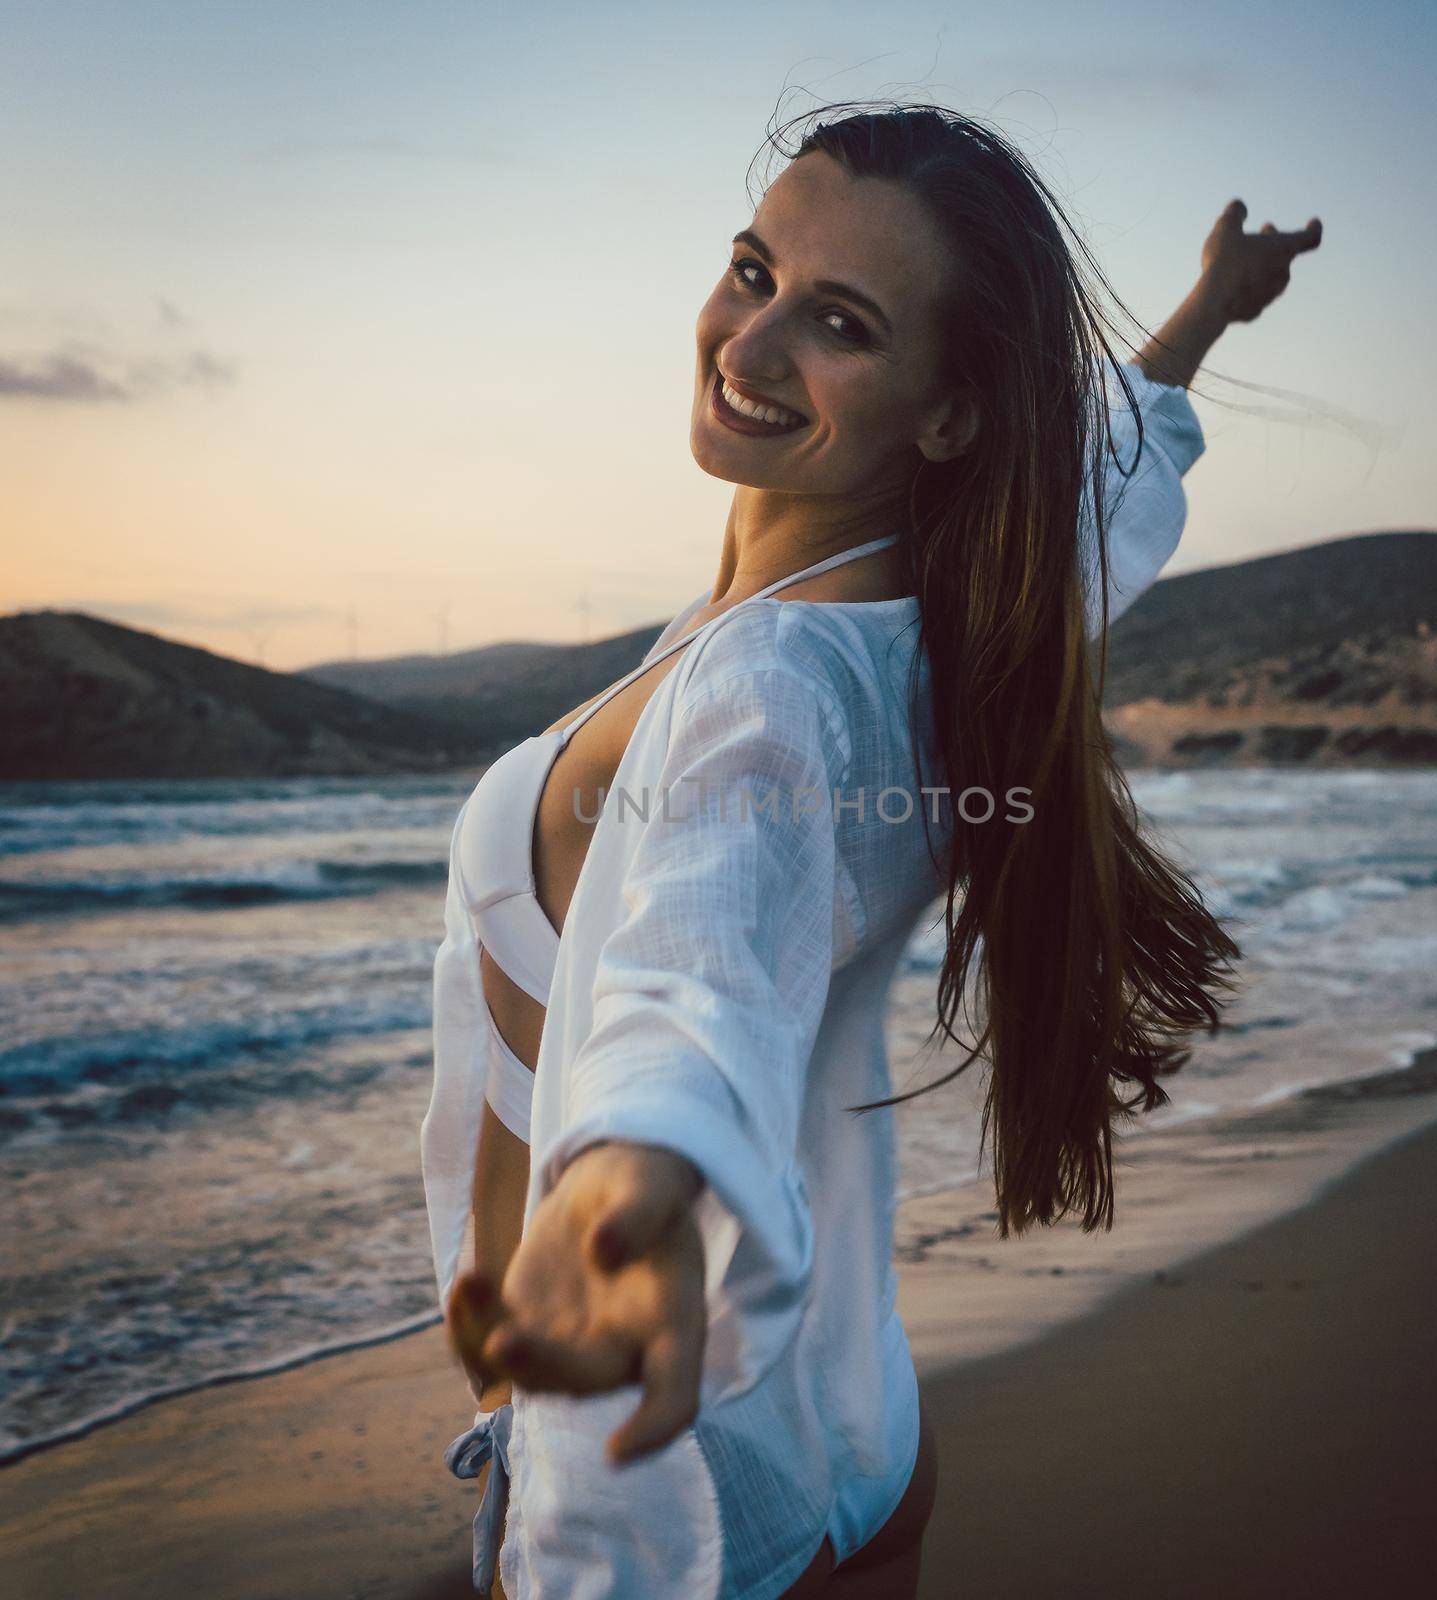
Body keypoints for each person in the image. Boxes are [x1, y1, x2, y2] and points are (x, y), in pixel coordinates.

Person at [423, 100, 1321, 1599]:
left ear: (950, 411)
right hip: (850, 1436)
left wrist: (620, 1182)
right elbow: (1104, 507)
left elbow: (693, 964)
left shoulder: (763, 688)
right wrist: (1204, 316)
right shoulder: (962, 623)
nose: (752, 343)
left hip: (684, 1508)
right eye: (752, 269)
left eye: (837, 322)